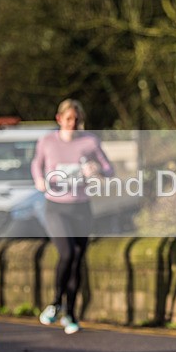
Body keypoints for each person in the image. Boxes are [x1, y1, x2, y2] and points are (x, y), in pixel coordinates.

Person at [32, 99, 114, 335]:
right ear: (59, 119)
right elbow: (36, 164)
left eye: (76, 120)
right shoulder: (47, 141)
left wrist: (96, 170)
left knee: (78, 258)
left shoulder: (89, 141)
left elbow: (109, 169)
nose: (73, 124)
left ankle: (71, 313)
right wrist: (39, 180)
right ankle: (56, 302)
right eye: (68, 119)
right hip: (56, 206)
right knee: (67, 253)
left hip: (81, 207)